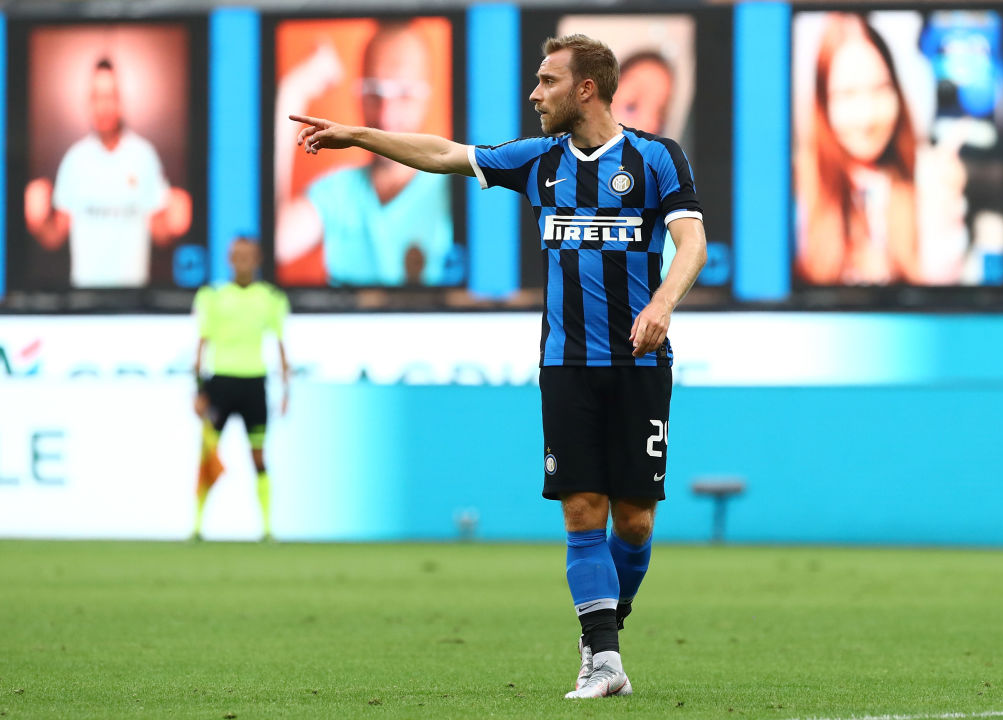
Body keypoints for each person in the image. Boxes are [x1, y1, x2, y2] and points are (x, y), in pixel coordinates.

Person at [290, 33, 707, 698]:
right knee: (582, 508)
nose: (535, 94)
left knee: (634, 522)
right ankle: (603, 659)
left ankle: (605, 629)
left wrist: (661, 304)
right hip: (566, 365)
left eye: (547, 81)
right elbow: (444, 155)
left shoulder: (656, 158)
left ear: (586, 89)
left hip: (639, 363)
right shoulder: (539, 160)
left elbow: (692, 242)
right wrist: (360, 136)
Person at [275, 22, 458, 287]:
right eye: (374, 92)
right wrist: (292, 92)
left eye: (404, 94)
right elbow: (272, 244)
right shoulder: (338, 193)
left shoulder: (459, 189)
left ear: (427, 97)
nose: (386, 115)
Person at [795, 13, 969, 286]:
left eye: (879, 89)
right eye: (847, 94)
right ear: (823, 103)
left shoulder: (926, 178)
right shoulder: (796, 192)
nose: (866, 118)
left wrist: (943, 206)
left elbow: (944, 298)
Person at [24, 58, 192, 288]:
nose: (103, 106)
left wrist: (174, 224)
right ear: (89, 103)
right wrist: (39, 223)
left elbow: (159, 233)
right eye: (97, 97)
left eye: (110, 96)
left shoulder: (143, 156)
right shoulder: (75, 159)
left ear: (120, 101)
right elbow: (56, 236)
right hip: (85, 297)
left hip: (133, 297)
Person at [191, 237, 290, 542]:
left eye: (248, 256)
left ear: (258, 259)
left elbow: (280, 344)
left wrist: (286, 391)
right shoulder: (213, 296)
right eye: (237, 255)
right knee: (208, 457)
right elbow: (201, 344)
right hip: (220, 383)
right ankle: (196, 527)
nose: (242, 261)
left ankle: (268, 529)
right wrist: (198, 390)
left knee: (258, 457)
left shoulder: (270, 298)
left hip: (254, 383)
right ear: (229, 259)